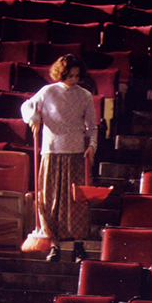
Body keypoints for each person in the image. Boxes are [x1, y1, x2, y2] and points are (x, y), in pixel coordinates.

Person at [21, 54, 98, 261]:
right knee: (50, 200)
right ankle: (54, 245)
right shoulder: (48, 91)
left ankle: (78, 246)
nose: (73, 80)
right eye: (69, 76)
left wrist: (92, 145)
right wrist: (34, 117)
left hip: (76, 153)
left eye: (76, 76)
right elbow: (26, 106)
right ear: (61, 74)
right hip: (51, 152)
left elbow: (91, 126)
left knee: (77, 202)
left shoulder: (85, 95)